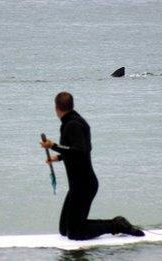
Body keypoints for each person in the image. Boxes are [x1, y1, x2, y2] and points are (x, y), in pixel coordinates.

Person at [40, 92, 144, 240]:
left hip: (84, 185)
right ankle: (111, 223)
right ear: (72, 105)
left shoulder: (72, 124)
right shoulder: (74, 121)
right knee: (65, 230)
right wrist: (59, 157)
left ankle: (117, 225)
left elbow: (80, 150)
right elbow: (78, 150)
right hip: (78, 185)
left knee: (75, 233)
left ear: (56, 108)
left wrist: (53, 146)